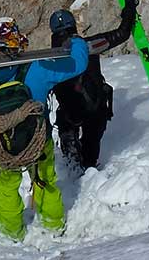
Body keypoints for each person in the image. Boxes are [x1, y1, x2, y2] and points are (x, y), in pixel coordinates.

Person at [0, 0, 136, 241]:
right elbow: (78, 64)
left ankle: (11, 231)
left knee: (6, 188)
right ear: (19, 43)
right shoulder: (38, 68)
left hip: (4, 144)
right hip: (38, 140)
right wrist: (77, 41)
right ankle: (53, 224)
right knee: (46, 180)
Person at [49, 9, 114, 170]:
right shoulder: (91, 45)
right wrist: (129, 14)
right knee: (91, 143)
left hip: (70, 111)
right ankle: (89, 167)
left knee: (65, 115)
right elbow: (120, 34)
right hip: (96, 109)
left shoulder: (51, 58)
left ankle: (70, 148)